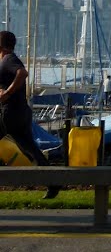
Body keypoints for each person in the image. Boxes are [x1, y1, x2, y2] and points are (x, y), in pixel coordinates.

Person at [0, 31, 58, 197]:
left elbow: (22, 73)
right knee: (32, 150)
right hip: (20, 112)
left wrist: (8, 93)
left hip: (10, 113)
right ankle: (53, 183)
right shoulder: (5, 61)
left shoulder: (8, 59)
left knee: (30, 148)